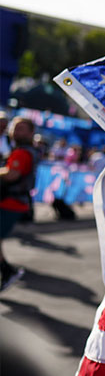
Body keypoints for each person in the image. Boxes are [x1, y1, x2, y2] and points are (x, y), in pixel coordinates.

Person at [0, 117, 38, 291]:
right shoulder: (21, 150)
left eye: (22, 129)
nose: (17, 132)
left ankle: (8, 271)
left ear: (31, 133)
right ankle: (7, 271)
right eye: (15, 128)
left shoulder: (22, 152)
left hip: (11, 202)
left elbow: (11, 175)